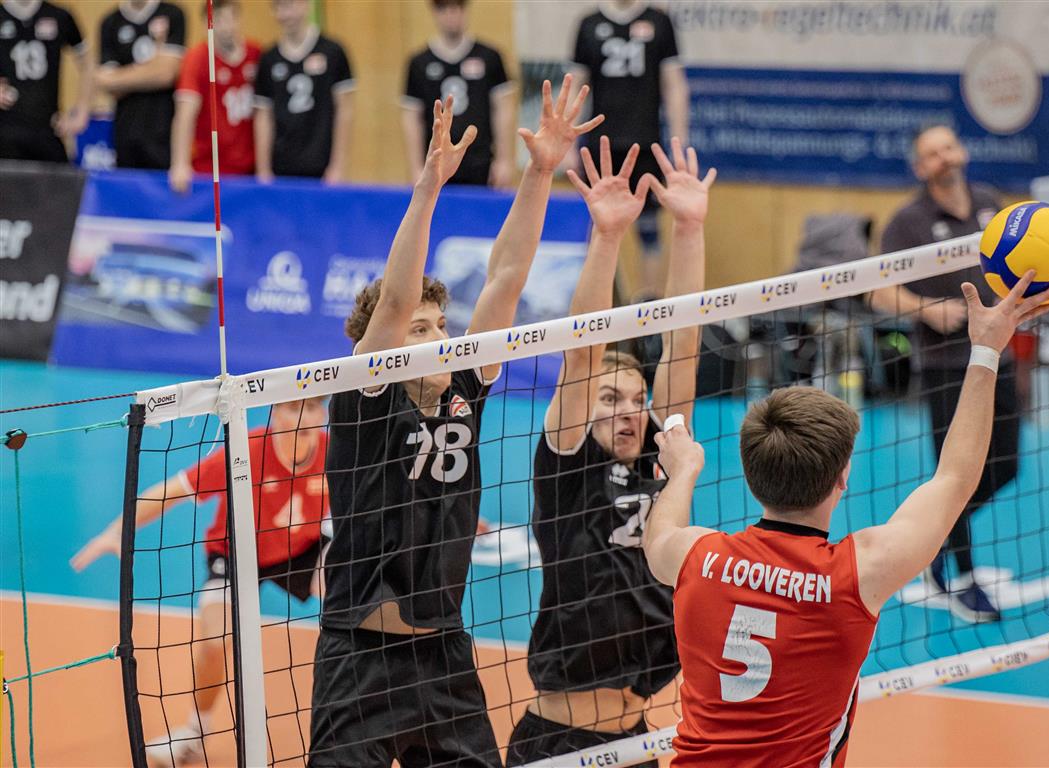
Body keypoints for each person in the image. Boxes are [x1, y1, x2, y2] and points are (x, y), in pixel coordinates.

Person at [641, 274, 1049, 766]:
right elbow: (956, 479)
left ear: (751, 476)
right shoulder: (854, 575)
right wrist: (986, 350)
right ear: (843, 478)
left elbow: (659, 537)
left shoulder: (696, 555)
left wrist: (683, 470)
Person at [308, 78, 602, 767]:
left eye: (442, 325)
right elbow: (393, 303)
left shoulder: (465, 386)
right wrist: (428, 189)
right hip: (359, 658)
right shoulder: (364, 400)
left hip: (444, 654)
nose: (440, 339)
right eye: (422, 330)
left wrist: (538, 172)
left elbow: (505, 277)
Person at [507, 137, 713, 766]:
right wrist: (607, 237)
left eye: (636, 398)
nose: (627, 409)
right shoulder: (567, 465)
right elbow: (582, 355)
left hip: (638, 743)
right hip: (559, 746)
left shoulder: (661, 460)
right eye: (609, 398)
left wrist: (688, 229)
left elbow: (683, 346)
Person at [70, 397, 330, 768]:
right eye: (293, 407)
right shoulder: (245, 452)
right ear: (275, 414)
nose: (305, 415)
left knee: (358, 591)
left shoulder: (337, 451)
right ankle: (194, 734)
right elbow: (170, 491)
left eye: (315, 407)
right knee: (214, 641)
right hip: (234, 553)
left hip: (301, 551)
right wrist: (116, 530)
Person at [868, 123, 1014, 622]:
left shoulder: (990, 203)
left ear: (963, 151)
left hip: (999, 353)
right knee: (955, 475)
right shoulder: (907, 222)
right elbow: (878, 291)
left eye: (948, 147)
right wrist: (927, 310)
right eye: (932, 154)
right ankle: (962, 578)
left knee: (1008, 465)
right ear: (919, 168)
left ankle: (934, 538)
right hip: (946, 365)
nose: (944, 158)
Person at [572, 0, 688, 301]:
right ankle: (597, 305)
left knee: (649, 229)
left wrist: (679, 143)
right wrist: (569, 144)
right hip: (601, 147)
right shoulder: (589, 24)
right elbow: (576, 88)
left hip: (645, 143)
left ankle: (650, 305)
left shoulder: (658, 22)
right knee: (599, 229)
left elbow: (674, 85)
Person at [402, 0, 514, 187]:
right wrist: (416, 167)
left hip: (481, 163)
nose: (451, 15)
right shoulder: (419, 62)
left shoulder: (490, 57)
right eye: (444, 9)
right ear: (435, 13)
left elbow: (503, 110)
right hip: (436, 163)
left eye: (457, 8)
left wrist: (504, 159)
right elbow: (412, 118)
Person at [253, 0, 353, 183]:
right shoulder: (269, 59)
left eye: (289, 5)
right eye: (278, 7)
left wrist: (338, 166)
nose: (285, 14)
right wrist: (263, 170)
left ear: (306, 5)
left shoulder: (332, 52)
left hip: (321, 170)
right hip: (281, 170)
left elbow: (344, 111)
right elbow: (263, 116)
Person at [169, 0, 258, 194]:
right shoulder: (197, 59)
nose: (227, 26)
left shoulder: (256, 55)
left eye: (231, 18)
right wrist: (180, 163)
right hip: (209, 170)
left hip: (250, 170)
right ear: (206, 25)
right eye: (219, 20)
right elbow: (185, 114)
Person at [97, 0, 186, 170]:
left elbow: (167, 75)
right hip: (125, 132)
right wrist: (155, 66)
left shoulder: (172, 14)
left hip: (163, 134)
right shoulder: (110, 22)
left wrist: (120, 76)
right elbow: (108, 85)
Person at [0, 0, 92, 163]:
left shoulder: (59, 16)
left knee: (59, 176)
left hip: (47, 131)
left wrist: (82, 111)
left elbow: (88, 64)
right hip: (6, 133)